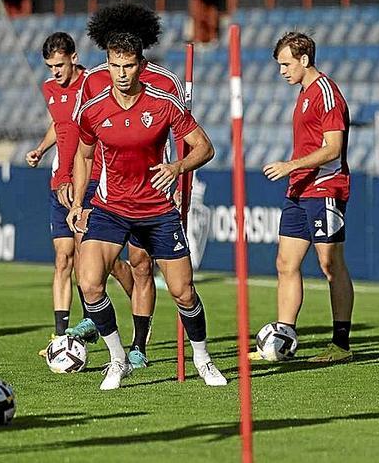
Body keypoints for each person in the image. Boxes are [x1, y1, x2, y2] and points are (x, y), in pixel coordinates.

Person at [68, 32, 226, 390]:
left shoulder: (165, 103)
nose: (121, 73)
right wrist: (79, 202)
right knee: (89, 282)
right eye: (114, 66)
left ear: (140, 65)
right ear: (107, 65)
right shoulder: (93, 110)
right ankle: (117, 359)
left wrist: (178, 167)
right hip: (110, 208)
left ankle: (202, 358)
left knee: (183, 291)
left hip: (156, 209)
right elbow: (84, 155)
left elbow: (205, 147)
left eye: (128, 66)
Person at [66, 1, 186, 368]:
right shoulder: (93, 81)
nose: (118, 67)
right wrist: (75, 189)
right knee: (90, 262)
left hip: (151, 187)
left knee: (140, 264)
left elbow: (182, 137)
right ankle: (97, 317)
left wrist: (178, 176)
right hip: (106, 188)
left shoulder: (166, 82)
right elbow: (83, 137)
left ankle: (139, 344)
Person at [25, 32, 134, 355]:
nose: (55, 72)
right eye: (49, 67)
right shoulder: (49, 89)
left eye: (59, 65)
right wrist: (42, 150)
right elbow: (60, 126)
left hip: (89, 180)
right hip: (59, 183)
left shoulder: (95, 83)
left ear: (73, 57)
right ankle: (63, 336)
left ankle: (140, 308)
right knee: (63, 258)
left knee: (103, 262)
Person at [251, 32, 355, 363]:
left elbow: (333, 148)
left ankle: (340, 345)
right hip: (299, 188)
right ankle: (282, 340)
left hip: (325, 186)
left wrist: (290, 164)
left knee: (329, 263)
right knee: (285, 263)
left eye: (285, 64)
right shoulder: (303, 93)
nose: (282, 71)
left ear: (304, 59)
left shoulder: (326, 93)